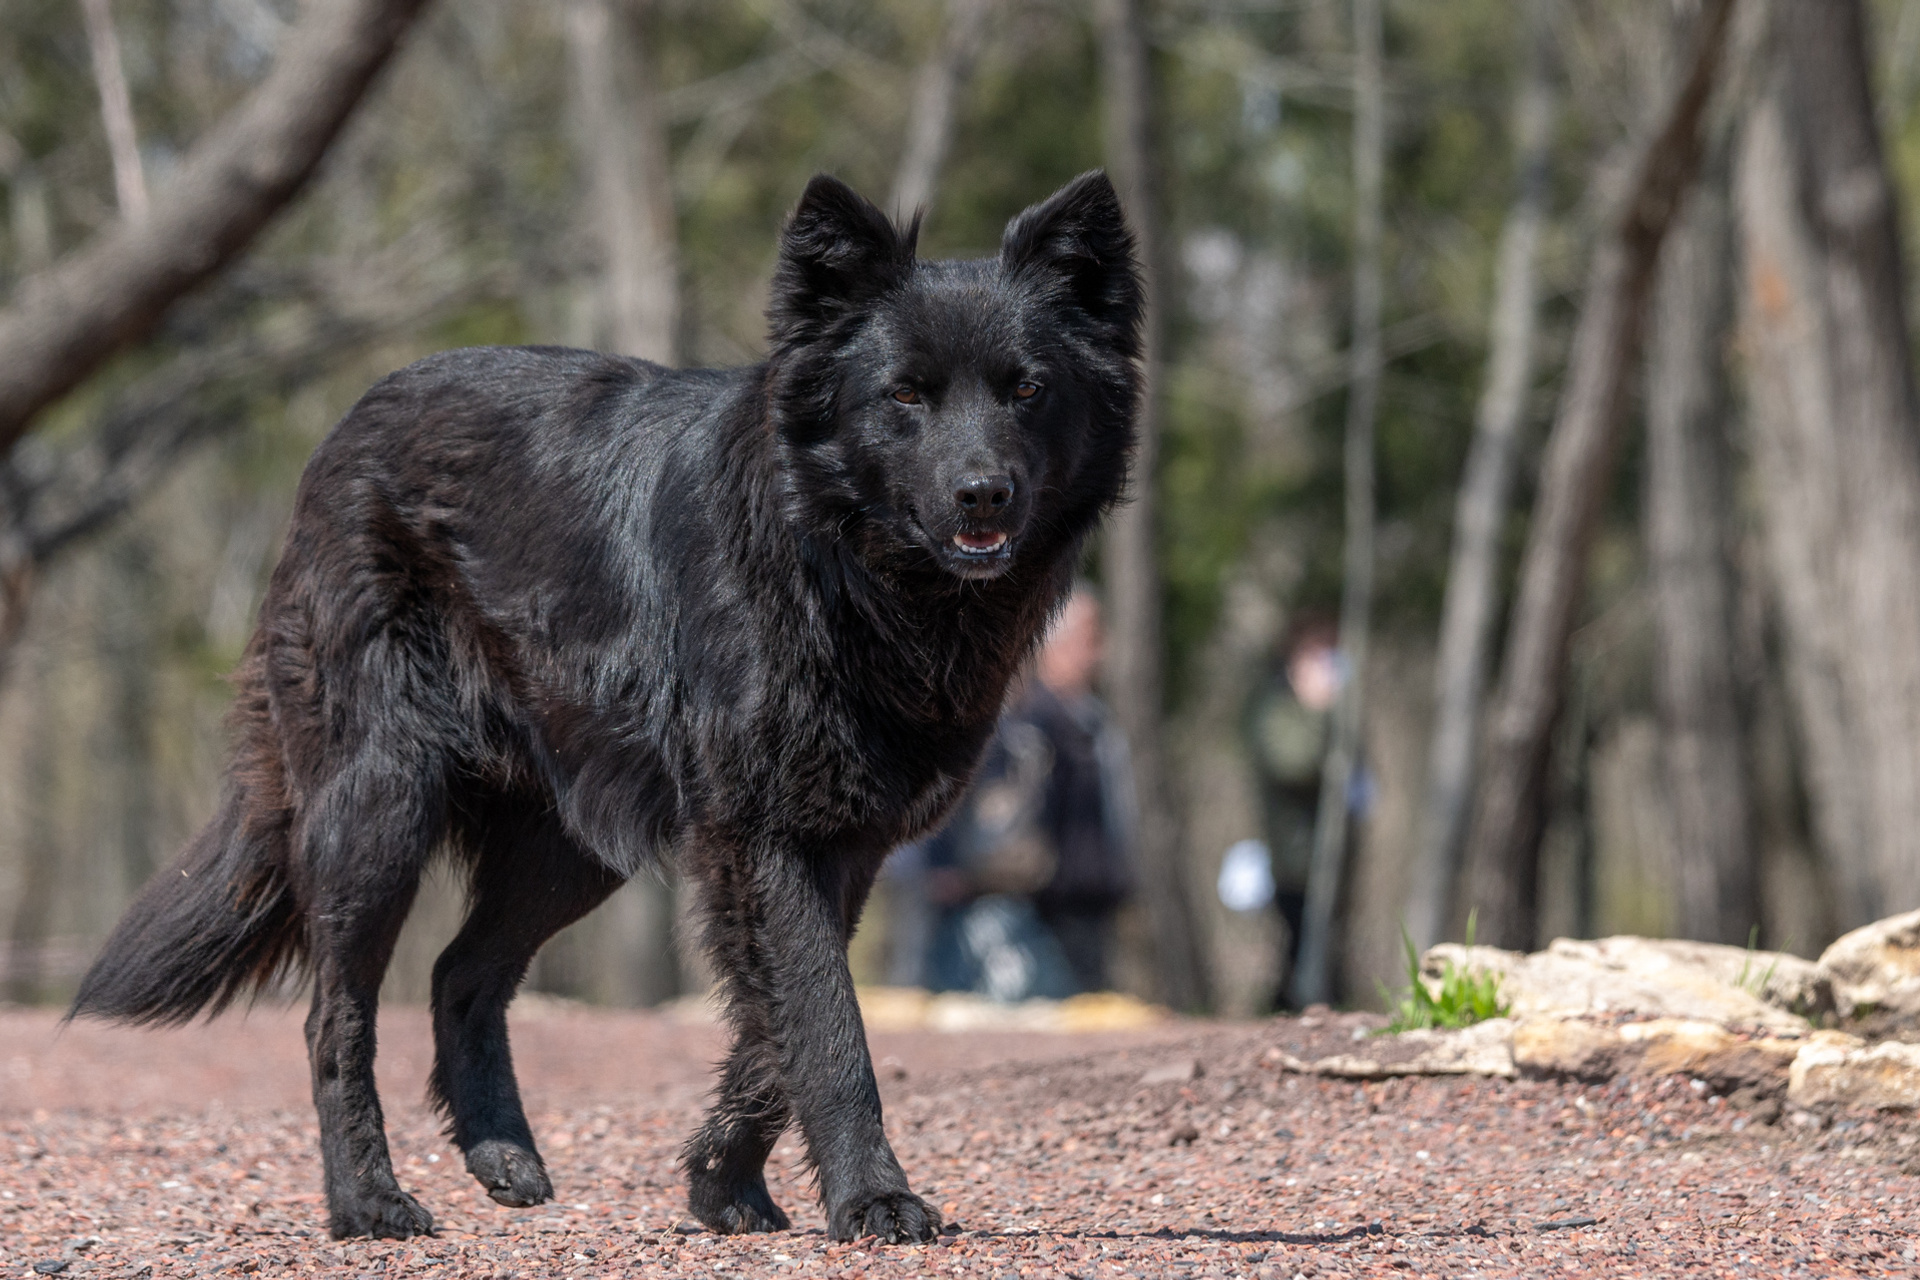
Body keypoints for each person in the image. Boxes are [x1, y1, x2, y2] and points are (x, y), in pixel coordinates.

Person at [918, 587, 1137, 1000]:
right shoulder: (1031, 726)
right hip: (1048, 903)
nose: (1099, 653)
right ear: (1054, 642)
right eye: (1089, 639)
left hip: (1090, 897)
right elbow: (999, 816)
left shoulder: (1090, 720)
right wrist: (963, 868)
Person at [1245, 615, 1343, 1003]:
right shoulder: (1275, 706)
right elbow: (1294, 765)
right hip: (1294, 859)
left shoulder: (1335, 708)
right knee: (1298, 952)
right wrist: (1318, 712)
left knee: (1325, 953)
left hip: (1329, 858)